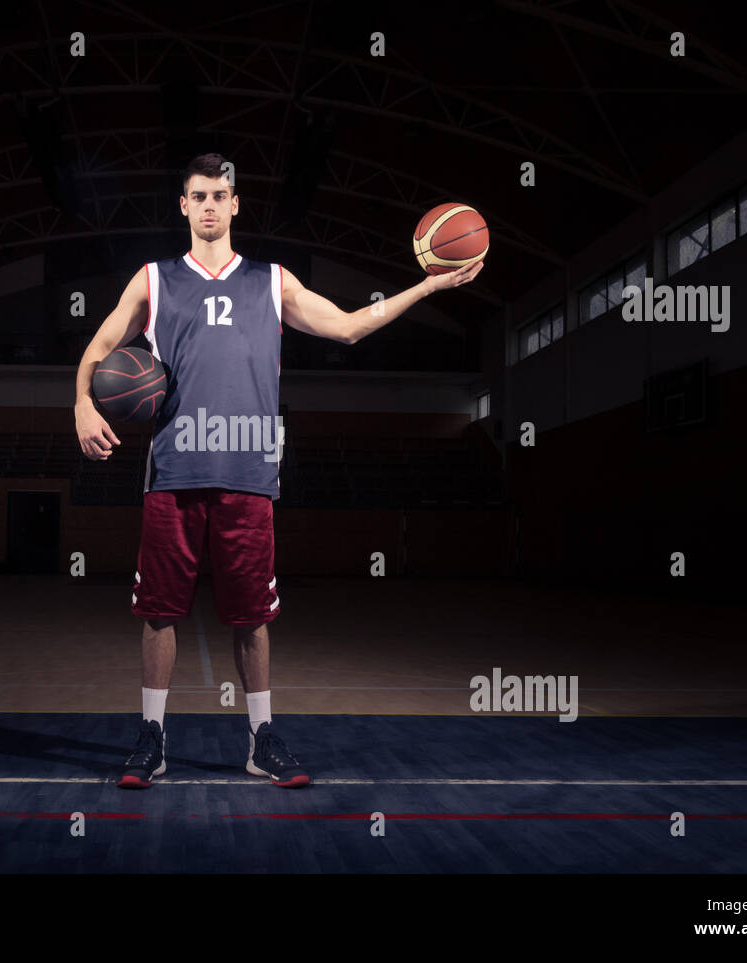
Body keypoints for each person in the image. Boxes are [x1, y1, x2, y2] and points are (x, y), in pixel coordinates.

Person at [73, 152, 483, 789]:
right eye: (199, 196)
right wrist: (80, 404)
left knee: (252, 618)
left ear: (236, 205)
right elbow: (98, 349)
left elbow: (347, 328)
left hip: (249, 476)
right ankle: (152, 737)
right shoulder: (153, 279)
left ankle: (261, 739)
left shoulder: (271, 281)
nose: (210, 205)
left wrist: (427, 286)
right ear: (183, 206)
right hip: (173, 474)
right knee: (159, 612)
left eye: (221, 196)